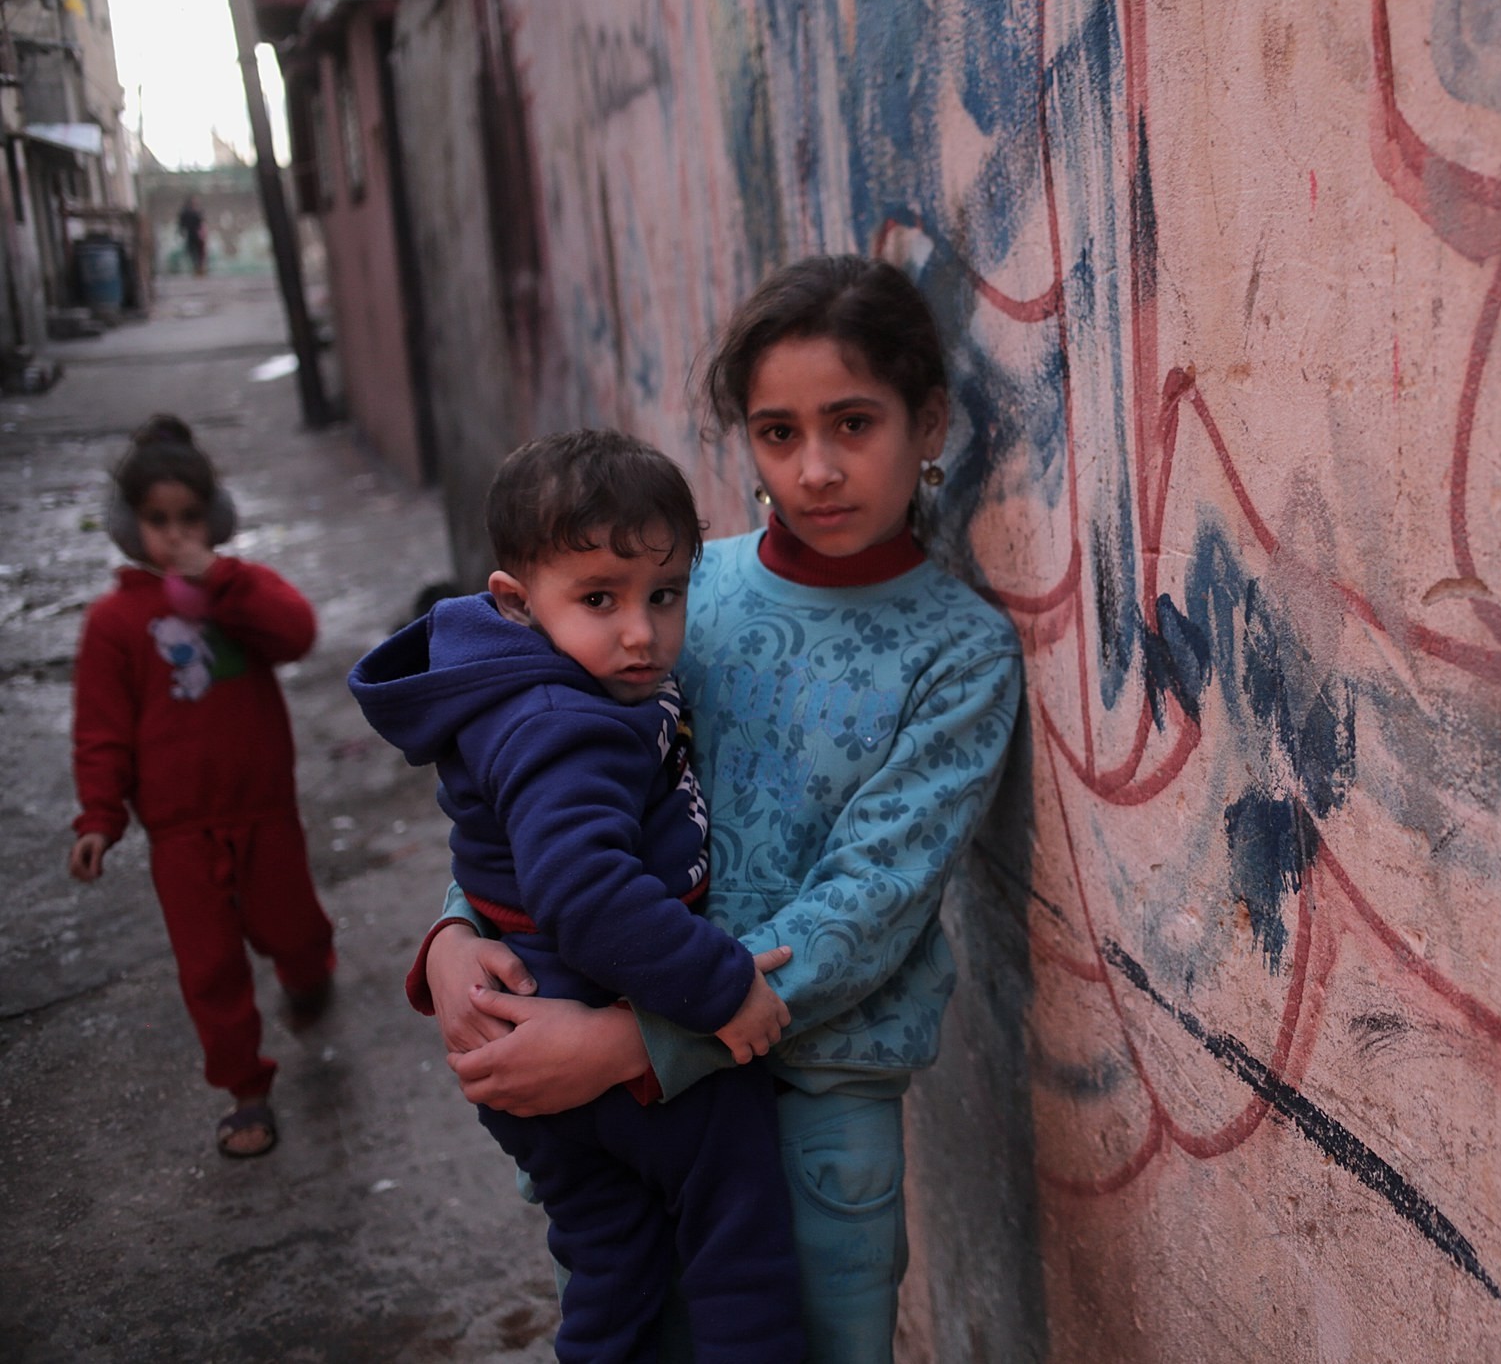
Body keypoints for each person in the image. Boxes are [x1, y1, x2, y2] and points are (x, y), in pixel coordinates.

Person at [418, 255, 1025, 1361]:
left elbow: (869, 903)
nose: (816, 469)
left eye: (853, 424)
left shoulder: (960, 652)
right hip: (618, 1110)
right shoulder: (672, 593)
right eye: (778, 433)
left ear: (929, 422)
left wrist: (632, 1044)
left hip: (811, 1102)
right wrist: (456, 930)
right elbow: (542, 785)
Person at [349, 430, 805, 1364]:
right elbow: (585, 894)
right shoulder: (563, 719)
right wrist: (723, 987)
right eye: (599, 599)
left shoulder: (533, 687)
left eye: (664, 594)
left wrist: (451, 932)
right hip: (585, 1005)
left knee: (611, 1261)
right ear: (517, 601)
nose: (641, 632)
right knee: (739, 1229)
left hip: (524, 1036)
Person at [68, 415, 335, 1158]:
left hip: (264, 810)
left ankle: (310, 974)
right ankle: (246, 1088)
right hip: (180, 831)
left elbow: (298, 632)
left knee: (294, 929)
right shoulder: (115, 621)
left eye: (190, 518)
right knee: (209, 967)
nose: (177, 536)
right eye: (159, 521)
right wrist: (98, 818)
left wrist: (219, 579)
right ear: (130, 526)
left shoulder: (240, 591)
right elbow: (101, 731)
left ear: (214, 517)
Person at [177, 197, 207, 277]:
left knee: (200, 253)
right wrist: (181, 231)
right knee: (192, 252)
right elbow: (182, 223)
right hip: (191, 234)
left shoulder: (199, 211)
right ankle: (196, 268)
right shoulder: (186, 212)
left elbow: (202, 223)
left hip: (199, 235)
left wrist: (203, 232)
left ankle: (200, 269)